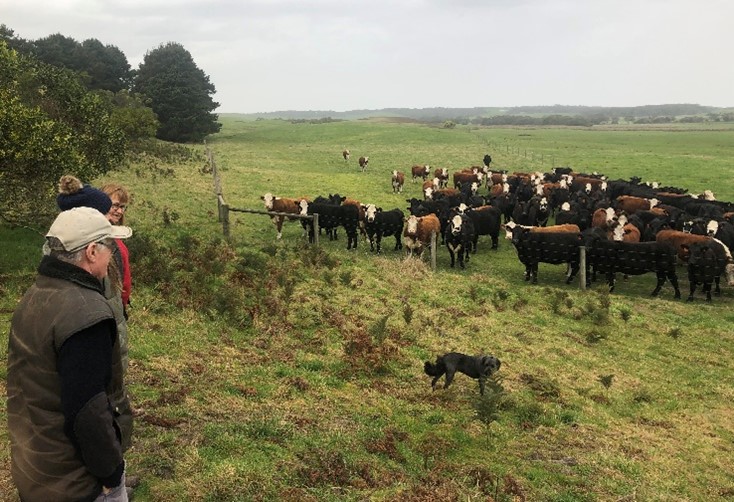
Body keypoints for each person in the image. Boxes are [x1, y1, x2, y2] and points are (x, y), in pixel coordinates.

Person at [7, 206, 132, 501]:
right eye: (108, 247)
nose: (111, 256)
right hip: (76, 482)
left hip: (36, 465)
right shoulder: (86, 313)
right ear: (91, 252)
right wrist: (111, 475)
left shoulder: (35, 296)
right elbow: (88, 411)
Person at [56, 176, 137, 487]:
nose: (116, 211)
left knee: (106, 400)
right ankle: (107, 478)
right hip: (102, 330)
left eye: (120, 207)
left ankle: (110, 471)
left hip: (111, 323)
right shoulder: (84, 258)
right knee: (99, 404)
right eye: (112, 205)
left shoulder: (94, 247)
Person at [101, 183, 132, 311]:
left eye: (122, 207)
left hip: (116, 304)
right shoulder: (97, 238)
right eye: (115, 205)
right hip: (105, 306)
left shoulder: (116, 237)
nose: (119, 211)